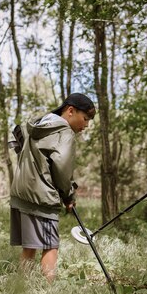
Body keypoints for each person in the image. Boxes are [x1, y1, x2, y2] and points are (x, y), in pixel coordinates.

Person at [10, 93, 96, 282]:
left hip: (21, 193)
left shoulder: (39, 125)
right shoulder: (64, 132)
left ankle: (24, 288)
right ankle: (49, 291)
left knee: (29, 245)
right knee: (50, 245)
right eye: (86, 118)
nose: (87, 125)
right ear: (71, 111)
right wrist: (68, 196)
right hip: (41, 195)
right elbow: (62, 170)